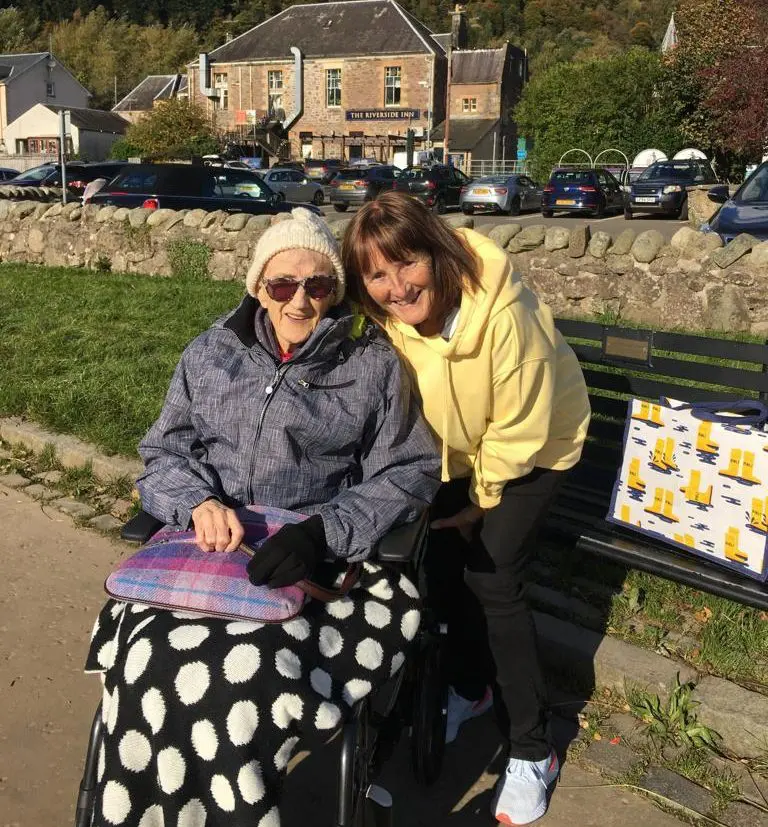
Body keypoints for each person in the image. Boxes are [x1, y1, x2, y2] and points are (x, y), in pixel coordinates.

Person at [85, 207, 440, 827]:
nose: (299, 300)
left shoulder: (370, 364)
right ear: (258, 287)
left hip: (310, 561)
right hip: (206, 550)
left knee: (241, 679)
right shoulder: (210, 353)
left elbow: (409, 470)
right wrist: (195, 503)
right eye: (282, 285)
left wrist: (326, 533)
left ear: (335, 291)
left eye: (318, 285)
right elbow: (162, 451)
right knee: (146, 662)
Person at [343, 191, 591, 826]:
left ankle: (534, 749)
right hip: (456, 451)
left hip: (536, 448)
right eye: (376, 274)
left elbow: (519, 431)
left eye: (408, 263)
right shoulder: (387, 318)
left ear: (438, 251)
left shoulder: (505, 316)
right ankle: (471, 688)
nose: (396, 287)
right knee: (438, 565)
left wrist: (477, 507)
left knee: (491, 574)